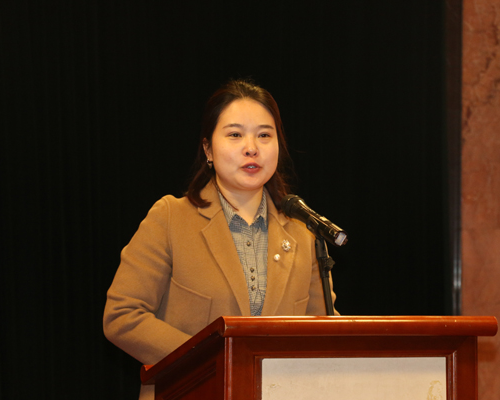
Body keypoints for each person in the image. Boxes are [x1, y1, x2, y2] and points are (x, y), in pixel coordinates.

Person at [103, 79, 337, 399]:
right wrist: (214, 363)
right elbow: (123, 316)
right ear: (208, 149)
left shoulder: (302, 232)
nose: (251, 147)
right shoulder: (170, 218)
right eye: (235, 135)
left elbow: (324, 331)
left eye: (264, 135)